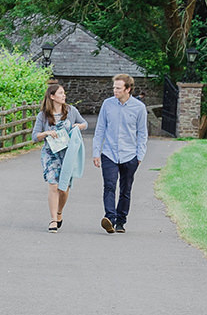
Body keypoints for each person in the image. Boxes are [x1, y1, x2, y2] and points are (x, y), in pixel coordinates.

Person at [92, 73, 148, 234]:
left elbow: (142, 133)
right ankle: (110, 217)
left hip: (130, 155)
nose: (114, 91)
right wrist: (96, 152)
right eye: (114, 88)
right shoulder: (107, 104)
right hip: (109, 153)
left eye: (118, 88)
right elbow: (100, 129)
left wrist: (140, 156)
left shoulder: (139, 108)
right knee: (109, 185)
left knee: (125, 189)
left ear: (128, 89)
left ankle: (121, 221)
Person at [31, 83, 88, 232]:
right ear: (52, 96)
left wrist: (78, 126)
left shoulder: (71, 110)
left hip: (68, 154)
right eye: (61, 93)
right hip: (50, 154)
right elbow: (34, 136)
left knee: (63, 188)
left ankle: (59, 212)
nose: (64, 96)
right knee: (53, 185)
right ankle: (53, 220)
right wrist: (46, 133)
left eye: (64, 93)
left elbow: (85, 123)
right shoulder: (43, 115)